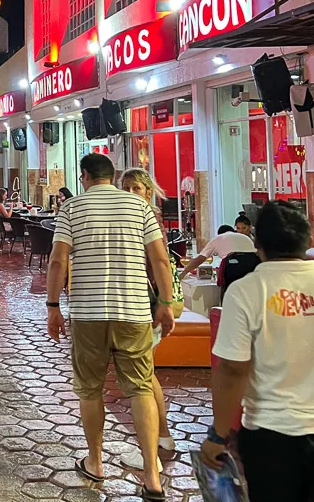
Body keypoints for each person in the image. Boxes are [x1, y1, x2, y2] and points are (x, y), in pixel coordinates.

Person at [47, 153, 175, 501]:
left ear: (85, 175)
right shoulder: (139, 207)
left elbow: (58, 260)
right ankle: (151, 475)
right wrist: (165, 303)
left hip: (88, 313)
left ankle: (96, 461)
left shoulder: (72, 208)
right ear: (113, 175)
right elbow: (160, 258)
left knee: (89, 388)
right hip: (134, 312)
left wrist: (53, 306)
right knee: (140, 388)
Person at [203, 201, 314, 501]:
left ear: (257, 244)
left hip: (271, 435)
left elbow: (231, 370)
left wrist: (218, 433)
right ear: (309, 239)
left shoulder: (247, 290)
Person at [118, 168, 178, 471]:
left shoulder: (147, 218)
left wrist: (163, 303)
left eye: (136, 189)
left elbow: (159, 263)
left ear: (148, 191)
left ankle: (155, 445)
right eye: (126, 188)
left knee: (142, 377)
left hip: (145, 301)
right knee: (145, 373)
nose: (130, 194)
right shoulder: (137, 217)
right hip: (140, 300)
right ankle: (162, 437)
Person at [179, 219, 255, 281]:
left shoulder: (217, 239)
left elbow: (199, 259)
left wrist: (183, 273)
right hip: (252, 270)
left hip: (232, 271)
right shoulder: (246, 238)